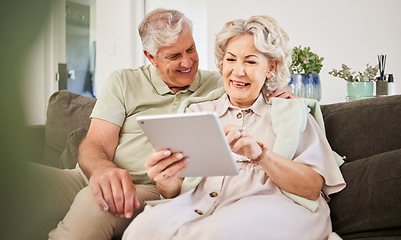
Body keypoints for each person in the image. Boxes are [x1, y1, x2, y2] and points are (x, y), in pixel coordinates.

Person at [35, 8, 294, 240]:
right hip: (86, 177)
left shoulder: (218, 84)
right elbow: (94, 144)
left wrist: (281, 91)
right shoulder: (123, 81)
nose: (187, 62)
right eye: (174, 56)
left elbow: (251, 80)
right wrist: (103, 169)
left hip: (148, 188)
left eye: (191, 49)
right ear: (151, 57)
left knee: (95, 203)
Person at [122, 15, 346, 240]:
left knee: (216, 233)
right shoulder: (199, 113)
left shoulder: (290, 112)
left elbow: (311, 187)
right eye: (230, 60)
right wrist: (165, 179)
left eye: (250, 62)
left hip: (272, 208)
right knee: (141, 228)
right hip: (204, 205)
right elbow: (175, 189)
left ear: (271, 67)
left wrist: (260, 154)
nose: (238, 72)